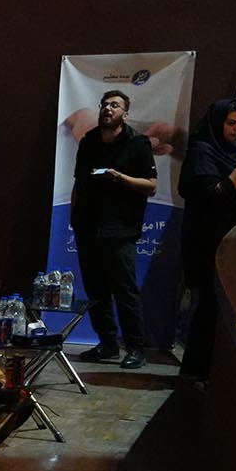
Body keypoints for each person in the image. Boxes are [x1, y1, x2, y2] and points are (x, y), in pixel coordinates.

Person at [70, 88, 157, 369]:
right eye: (105, 104)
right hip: (88, 227)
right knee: (96, 291)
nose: (108, 109)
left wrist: (121, 177)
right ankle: (107, 343)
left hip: (120, 230)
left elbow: (151, 186)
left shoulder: (138, 143)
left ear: (125, 114)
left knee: (125, 291)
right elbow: (79, 180)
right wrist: (74, 216)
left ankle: (135, 348)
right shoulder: (89, 141)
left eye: (115, 105)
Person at [180, 99, 236, 378]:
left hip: (233, 243)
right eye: (231, 123)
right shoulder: (201, 152)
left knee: (223, 311)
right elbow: (213, 197)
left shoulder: (232, 152)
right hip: (207, 244)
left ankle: (214, 372)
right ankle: (194, 373)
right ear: (217, 123)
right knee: (207, 308)